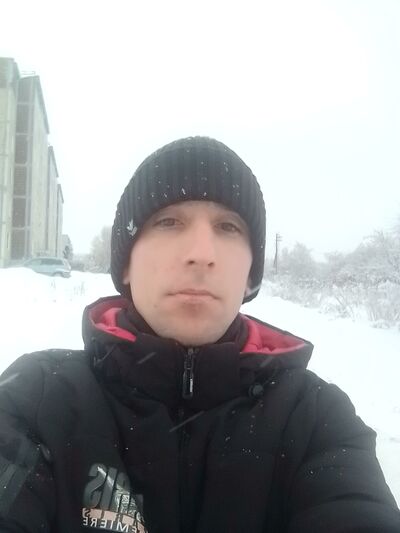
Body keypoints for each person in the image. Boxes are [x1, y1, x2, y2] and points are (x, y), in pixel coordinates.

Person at [0, 136, 399, 533]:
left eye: (228, 226)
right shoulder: (36, 399)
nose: (201, 253)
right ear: (125, 265)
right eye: (169, 221)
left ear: (250, 275)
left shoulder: (315, 420)